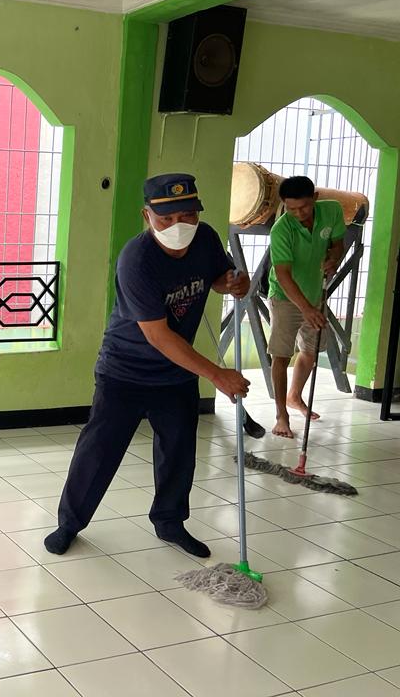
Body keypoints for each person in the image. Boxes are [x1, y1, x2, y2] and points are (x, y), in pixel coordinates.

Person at [44, 173, 250, 558]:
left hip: (175, 374)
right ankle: (69, 524)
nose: (178, 226)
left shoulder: (205, 239)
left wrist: (235, 282)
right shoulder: (137, 260)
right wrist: (216, 375)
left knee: (178, 452)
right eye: (166, 218)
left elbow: (219, 277)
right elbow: (158, 335)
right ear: (147, 215)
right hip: (125, 372)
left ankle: (170, 522)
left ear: (198, 213)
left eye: (187, 215)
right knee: (99, 451)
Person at [267, 175, 344, 438]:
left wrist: (334, 259)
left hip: (314, 293)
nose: (299, 213)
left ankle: (295, 396)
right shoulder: (281, 230)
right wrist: (307, 309)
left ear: (315, 198)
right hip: (285, 297)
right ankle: (281, 415)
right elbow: (283, 275)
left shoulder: (332, 210)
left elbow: (337, 244)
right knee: (281, 355)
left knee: (310, 351)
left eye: (304, 207)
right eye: (292, 209)